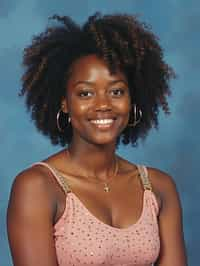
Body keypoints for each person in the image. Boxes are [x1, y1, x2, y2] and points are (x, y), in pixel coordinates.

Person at [7, 12, 187, 266]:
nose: (103, 105)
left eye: (116, 91)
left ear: (132, 99)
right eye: (85, 93)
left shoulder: (158, 187)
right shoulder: (38, 187)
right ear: (64, 103)